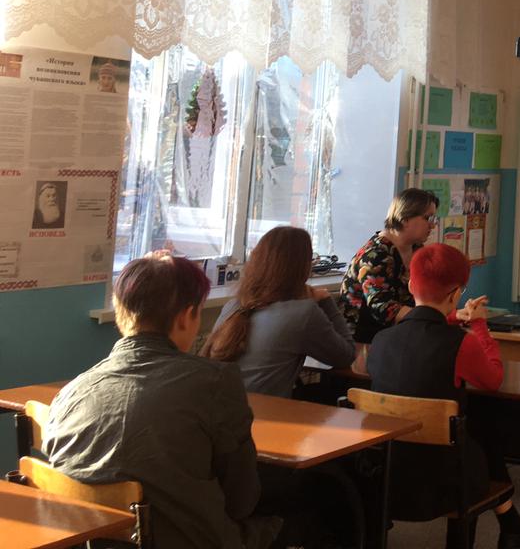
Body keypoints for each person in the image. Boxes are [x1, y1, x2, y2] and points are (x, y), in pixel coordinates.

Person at [43, 252, 280, 549]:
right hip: (191, 542)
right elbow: (241, 501)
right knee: (298, 513)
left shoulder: (71, 393)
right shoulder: (215, 382)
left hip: (90, 542)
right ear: (186, 316)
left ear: (120, 312)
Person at [367, 244, 520, 549]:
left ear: (411, 286)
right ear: (455, 295)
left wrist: (453, 317)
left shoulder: (381, 340)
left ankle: (514, 528)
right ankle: (512, 528)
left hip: (383, 475)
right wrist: (479, 325)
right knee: (482, 435)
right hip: (444, 483)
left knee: (476, 431)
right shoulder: (462, 345)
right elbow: (493, 379)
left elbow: (424, 325)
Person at [202, 225, 355, 396]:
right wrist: (326, 300)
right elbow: (346, 356)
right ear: (303, 268)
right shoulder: (304, 313)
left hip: (218, 408)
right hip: (264, 411)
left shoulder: (233, 307)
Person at [337, 187, 441, 343]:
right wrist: (431, 318)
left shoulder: (416, 249)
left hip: (396, 335)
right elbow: (382, 307)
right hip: (362, 340)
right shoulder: (376, 255)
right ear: (405, 219)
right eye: (428, 218)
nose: (433, 225)